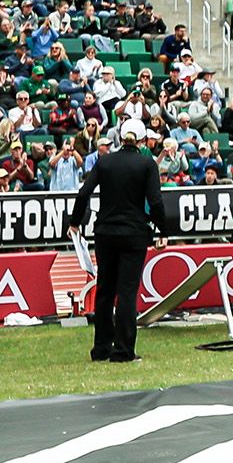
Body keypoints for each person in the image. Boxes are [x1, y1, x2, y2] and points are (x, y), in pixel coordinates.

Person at [66, 125, 170, 363]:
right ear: (142, 140)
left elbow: (84, 194)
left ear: (120, 138)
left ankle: (101, 348)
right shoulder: (146, 164)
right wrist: (163, 230)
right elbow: (155, 201)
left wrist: (75, 222)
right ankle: (123, 350)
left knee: (104, 290)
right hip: (133, 233)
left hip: (105, 232)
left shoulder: (104, 162)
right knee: (126, 292)